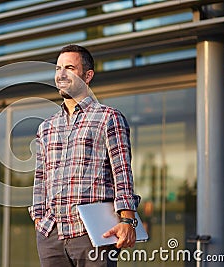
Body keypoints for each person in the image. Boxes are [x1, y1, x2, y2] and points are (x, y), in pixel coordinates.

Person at [28, 44, 141, 267]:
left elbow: (122, 172)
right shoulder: (46, 127)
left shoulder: (109, 118)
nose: (61, 74)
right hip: (51, 233)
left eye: (69, 67)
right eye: (58, 68)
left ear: (87, 76)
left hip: (93, 234)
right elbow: (40, 178)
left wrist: (128, 220)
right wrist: (39, 218)